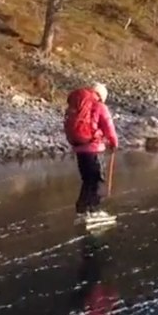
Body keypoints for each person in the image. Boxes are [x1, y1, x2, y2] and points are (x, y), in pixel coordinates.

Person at [65, 82, 119, 222]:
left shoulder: (77, 105)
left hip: (79, 149)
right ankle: (93, 211)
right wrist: (114, 142)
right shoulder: (99, 106)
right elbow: (108, 125)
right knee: (97, 179)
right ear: (101, 95)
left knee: (87, 180)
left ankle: (82, 210)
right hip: (93, 148)